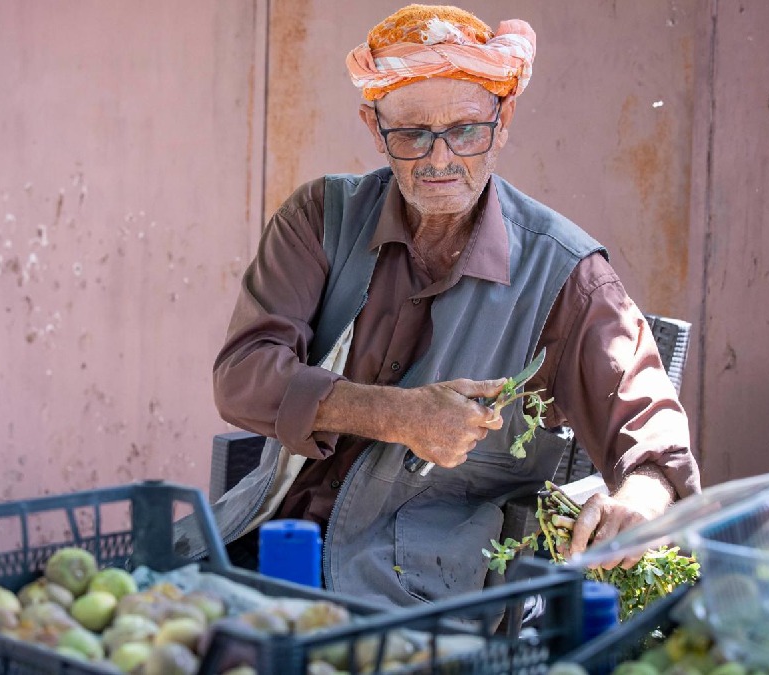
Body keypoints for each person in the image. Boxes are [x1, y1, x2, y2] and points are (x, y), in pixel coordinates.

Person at [175, 3, 701, 611]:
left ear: (502, 125)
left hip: (418, 596)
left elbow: (655, 440)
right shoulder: (320, 217)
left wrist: (638, 496)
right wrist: (395, 415)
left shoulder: (569, 277)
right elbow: (241, 379)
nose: (440, 158)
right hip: (262, 543)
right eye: (412, 134)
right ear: (375, 130)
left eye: (467, 131)